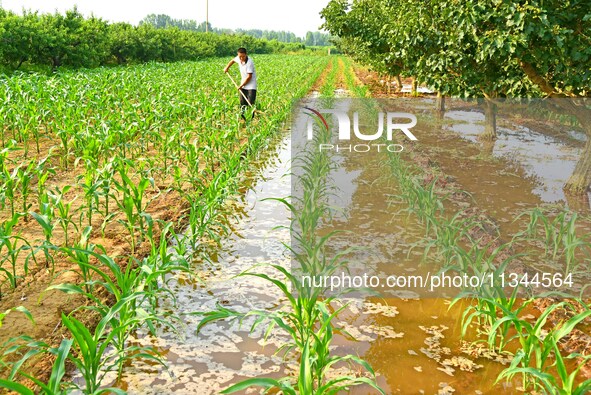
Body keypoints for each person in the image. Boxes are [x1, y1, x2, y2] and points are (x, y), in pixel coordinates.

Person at [223, 48, 257, 121]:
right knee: (242, 103)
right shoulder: (238, 58)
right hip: (243, 84)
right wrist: (227, 68)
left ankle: (252, 119)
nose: (241, 58)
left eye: (243, 56)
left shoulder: (249, 63)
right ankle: (243, 119)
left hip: (251, 85)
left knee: (250, 102)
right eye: (240, 57)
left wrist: (241, 85)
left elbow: (249, 77)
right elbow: (232, 61)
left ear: (246, 54)